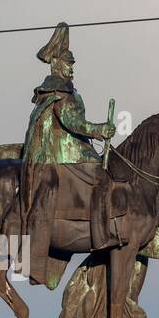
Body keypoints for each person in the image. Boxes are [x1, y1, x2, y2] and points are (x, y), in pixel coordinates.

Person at [20, 22, 119, 286]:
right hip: (63, 157)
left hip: (72, 152)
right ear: (56, 64)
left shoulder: (62, 89)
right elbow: (71, 122)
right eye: (68, 62)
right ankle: (100, 236)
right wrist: (100, 130)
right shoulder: (59, 89)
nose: (72, 67)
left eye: (72, 63)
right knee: (102, 179)